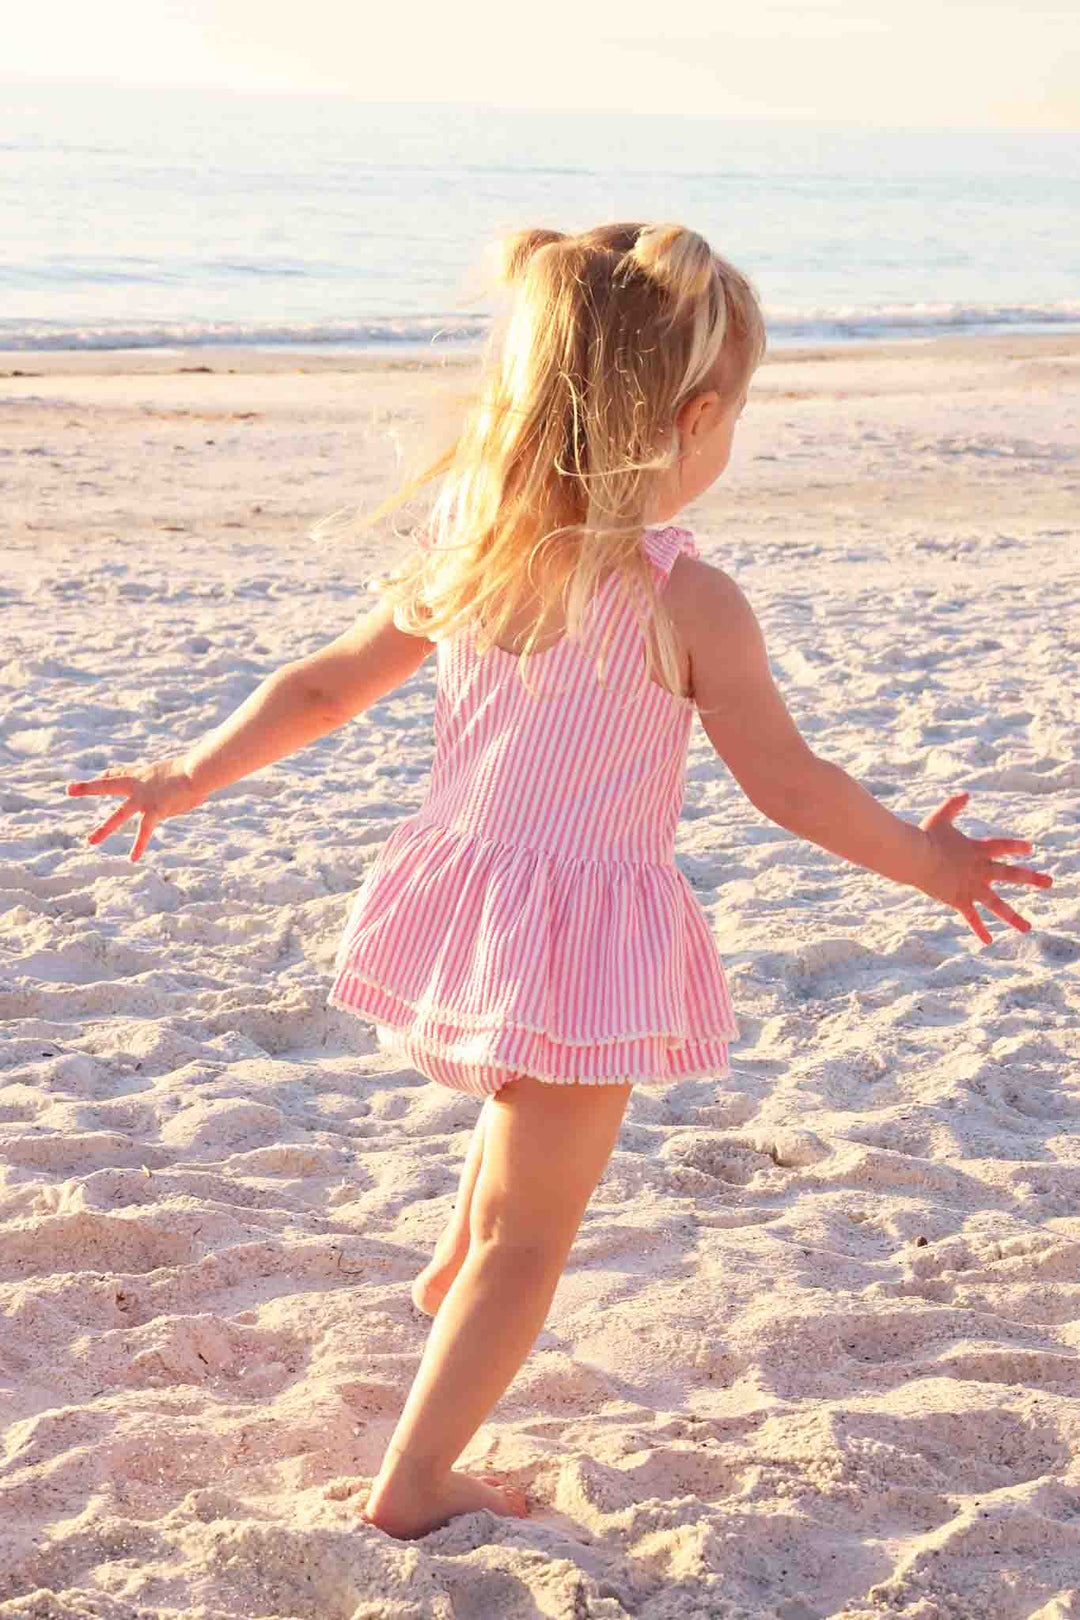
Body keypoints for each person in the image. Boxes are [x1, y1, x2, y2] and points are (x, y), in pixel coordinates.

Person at [67, 222, 1052, 1542]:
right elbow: (790, 785)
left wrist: (186, 773)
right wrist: (933, 863)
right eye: (735, 415)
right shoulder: (687, 599)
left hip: (472, 901)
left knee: (514, 1133)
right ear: (696, 418)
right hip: (584, 930)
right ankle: (417, 1476)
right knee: (538, 1240)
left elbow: (322, 685)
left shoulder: (482, 540)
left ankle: (453, 1266)